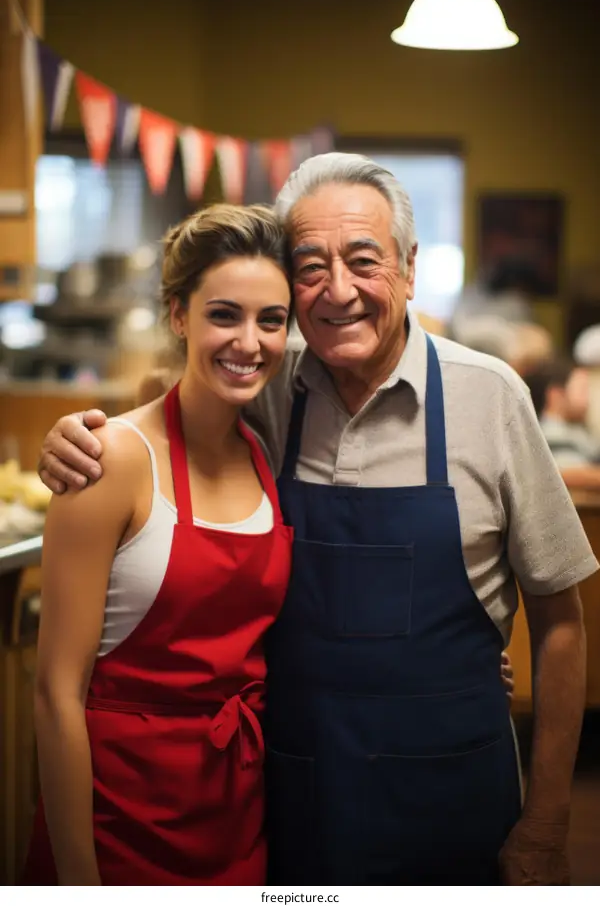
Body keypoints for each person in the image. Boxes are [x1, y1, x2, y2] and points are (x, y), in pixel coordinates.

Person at [38, 153, 594, 885]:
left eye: (364, 260)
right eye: (310, 267)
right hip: (296, 797)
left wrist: (549, 824)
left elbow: (561, 622)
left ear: (409, 267)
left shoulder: (490, 396)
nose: (339, 291)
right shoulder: (271, 385)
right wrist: (73, 438)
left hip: (454, 791)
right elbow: (170, 398)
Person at [23, 204, 293, 885]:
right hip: (117, 817)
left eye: (271, 320)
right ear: (179, 315)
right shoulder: (110, 458)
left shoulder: (265, 450)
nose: (249, 341)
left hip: (236, 810)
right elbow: (57, 692)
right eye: (224, 314)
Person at [523, 357, 600, 490]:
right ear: (556, 394)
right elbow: (566, 474)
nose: (588, 399)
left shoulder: (574, 430)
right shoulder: (551, 434)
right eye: (582, 389)